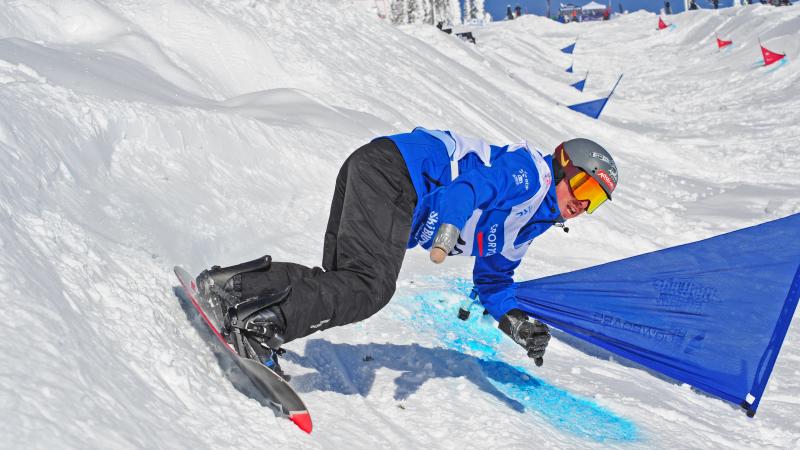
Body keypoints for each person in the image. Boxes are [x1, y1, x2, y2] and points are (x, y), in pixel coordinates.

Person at [196, 128, 619, 376]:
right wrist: (452, 219)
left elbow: (493, 281)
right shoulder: (531, 173)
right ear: (563, 164)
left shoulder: (525, 229)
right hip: (399, 172)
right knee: (370, 287)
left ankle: (233, 287)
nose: (582, 204)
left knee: (346, 283)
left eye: (595, 201)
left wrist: (516, 322)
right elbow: (471, 187)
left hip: (381, 167)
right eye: (584, 187)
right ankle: (257, 326)